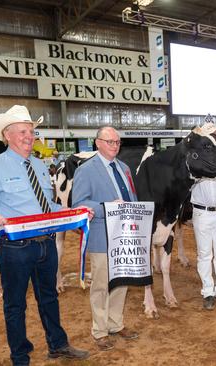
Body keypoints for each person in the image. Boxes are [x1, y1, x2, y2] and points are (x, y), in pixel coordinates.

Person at [0, 105, 91, 365]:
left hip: (45, 244)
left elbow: (48, 207)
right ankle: (19, 355)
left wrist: (74, 212)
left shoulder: (39, 165)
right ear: (8, 135)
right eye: (22, 131)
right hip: (15, 248)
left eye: (32, 131)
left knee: (49, 297)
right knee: (15, 304)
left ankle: (57, 345)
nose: (29, 136)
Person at [72, 126, 139, 352]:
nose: (114, 146)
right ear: (98, 143)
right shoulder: (86, 169)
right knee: (101, 285)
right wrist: (106, 207)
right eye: (109, 141)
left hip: (125, 235)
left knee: (122, 281)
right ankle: (100, 331)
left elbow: (132, 197)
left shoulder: (125, 168)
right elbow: (79, 203)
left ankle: (115, 324)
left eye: (117, 142)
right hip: (102, 235)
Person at [190, 122, 216, 310]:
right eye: (212, 134)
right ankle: (208, 291)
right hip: (202, 212)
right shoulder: (195, 158)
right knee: (204, 254)